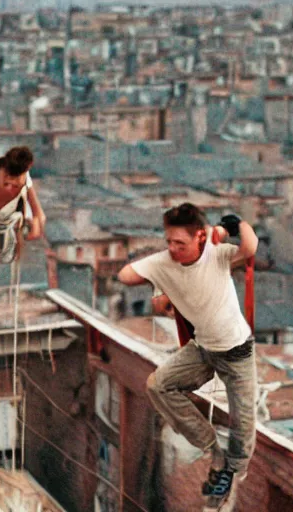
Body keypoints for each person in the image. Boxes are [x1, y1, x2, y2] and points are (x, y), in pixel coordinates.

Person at [117, 202, 258, 510]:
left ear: (199, 238)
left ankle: (230, 470)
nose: (173, 249)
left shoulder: (217, 256)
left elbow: (249, 247)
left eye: (180, 243)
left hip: (237, 354)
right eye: (169, 241)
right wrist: (160, 272)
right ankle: (212, 448)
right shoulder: (165, 262)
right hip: (203, 350)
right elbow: (125, 275)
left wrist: (232, 226)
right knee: (159, 385)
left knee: (244, 430)